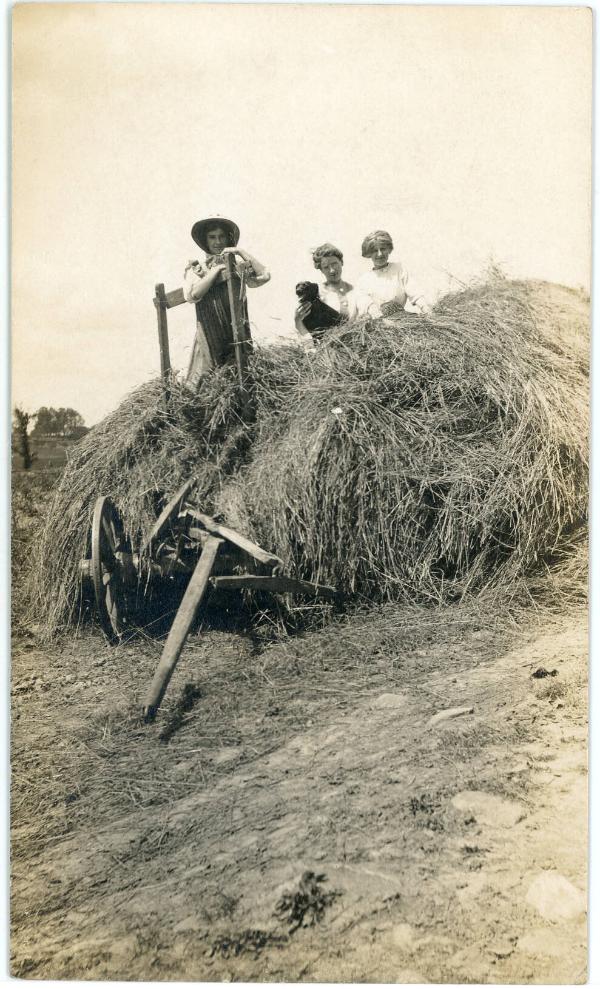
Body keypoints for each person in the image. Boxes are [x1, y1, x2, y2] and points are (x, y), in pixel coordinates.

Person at [183, 215, 270, 390]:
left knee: (242, 379)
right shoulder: (198, 268)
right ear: (205, 240)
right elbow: (192, 295)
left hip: (236, 332)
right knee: (205, 384)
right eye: (212, 237)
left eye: (222, 236)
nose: (218, 242)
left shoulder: (237, 265)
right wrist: (215, 270)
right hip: (210, 333)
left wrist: (240, 252)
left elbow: (264, 276)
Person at [354, 230, 429, 318]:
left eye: (383, 249)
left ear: (389, 249)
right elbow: (362, 300)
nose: (379, 254)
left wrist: (425, 307)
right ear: (369, 253)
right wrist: (373, 310)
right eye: (374, 250)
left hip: (400, 318)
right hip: (376, 321)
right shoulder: (364, 280)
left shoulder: (399, 269)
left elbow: (415, 292)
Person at [294, 243, 357, 347]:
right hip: (326, 351)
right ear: (321, 269)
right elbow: (302, 325)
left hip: (354, 346)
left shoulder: (356, 291)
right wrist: (297, 319)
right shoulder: (315, 295)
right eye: (326, 267)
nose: (332, 270)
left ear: (341, 262)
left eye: (334, 263)